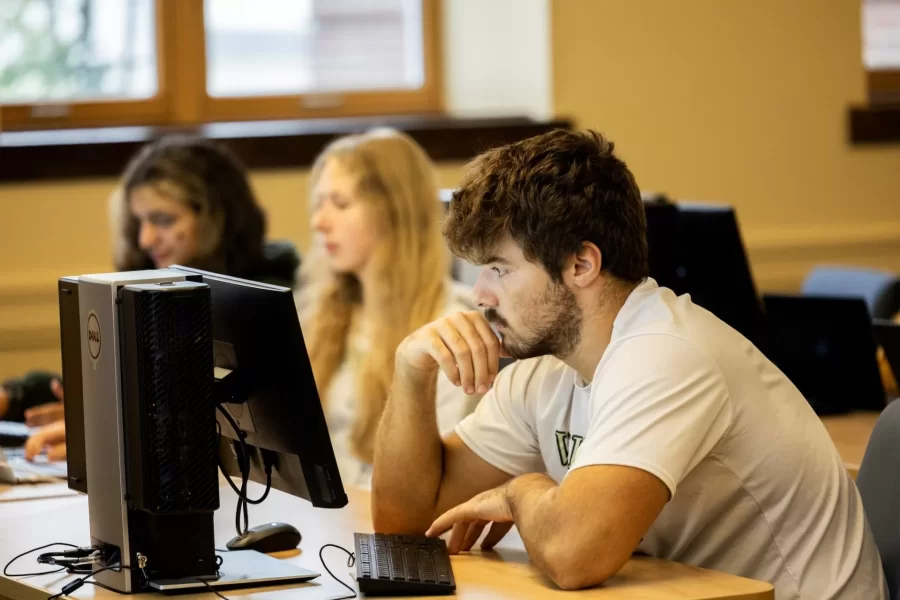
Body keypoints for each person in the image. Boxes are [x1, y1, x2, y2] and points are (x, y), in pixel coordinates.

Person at [370, 130, 886, 599]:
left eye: (500, 269)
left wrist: (520, 489)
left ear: (580, 264)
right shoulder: (542, 368)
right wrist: (412, 371)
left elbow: (575, 555)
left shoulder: (666, 354)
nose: (480, 295)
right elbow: (406, 526)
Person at [21, 135, 301, 460]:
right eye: (140, 221)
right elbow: (126, 384)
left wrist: (108, 429)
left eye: (163, 220)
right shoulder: (162, 293)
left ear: (219, 218)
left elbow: (197, 418)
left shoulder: (261, 303)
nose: (145, 239)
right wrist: (16, 397)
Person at [297, 128, 478, 488]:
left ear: (394, 212)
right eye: (319, 203)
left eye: (341, 203)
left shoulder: (450, 326)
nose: (319, 222)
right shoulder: (322, 313)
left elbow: (429, 475)